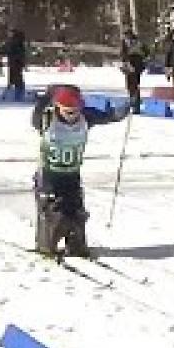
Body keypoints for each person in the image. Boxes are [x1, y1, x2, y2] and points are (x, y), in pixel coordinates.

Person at [30, 84, 128, 258]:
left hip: (72, 174)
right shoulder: (46, 118)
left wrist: (126, 109)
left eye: (75, 111)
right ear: (58, 107)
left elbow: (109, 116)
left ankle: (77, 246)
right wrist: (47, 96)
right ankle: (46, 245)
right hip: (49, 175)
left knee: (76, 212)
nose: (72, 116)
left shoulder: (86, 117)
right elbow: (36, 113)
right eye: (68, 112)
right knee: (53, 213)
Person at [120, 29, 147, 114]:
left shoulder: (137, 43)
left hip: (136, 66)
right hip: (129, 67)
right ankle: (133, 103)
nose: (126, 38)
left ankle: (136, 105)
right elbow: (123, 55)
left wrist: (139, 64)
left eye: (127, 36)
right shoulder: (124, 43)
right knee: (129, 86)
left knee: (134, 86)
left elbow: (146, 53)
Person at [3, 28, 28, 101]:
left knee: (16, 78)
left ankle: (17, 94)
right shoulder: (15, 41)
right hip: (14, 62)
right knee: (15, 77)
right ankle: (16, 93)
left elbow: (11, 50)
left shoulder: (15, 42)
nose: (9, 34)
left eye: (10, 33)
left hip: (16, 62)